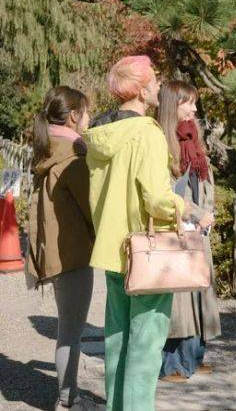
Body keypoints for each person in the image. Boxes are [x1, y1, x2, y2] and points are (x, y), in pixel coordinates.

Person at [83, 56, 185, 411]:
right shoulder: (147, 133)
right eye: (154, 81)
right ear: (142, 92)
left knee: (118, 339)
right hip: (145, 251)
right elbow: (157, 199)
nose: (158, 87)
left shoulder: (98, 134)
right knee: (146, 344)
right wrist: (185, 210)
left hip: (111, 248)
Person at [28, 86, 96, 410]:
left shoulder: (48, 149)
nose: (89, 117)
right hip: (73, 254)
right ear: (73, 116)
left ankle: (67, 395)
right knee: (71, 331)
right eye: (85, 112)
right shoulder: (73, 154)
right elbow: (91, 206)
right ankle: (68, 400)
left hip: (56, 253)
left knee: (66, 328)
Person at [156, 80, 221, 383]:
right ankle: (173, 365)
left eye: (194, 102)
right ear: (173, 105)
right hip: (176, 228)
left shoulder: (194, 138)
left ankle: (194, 357)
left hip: (198, 228)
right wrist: (195, 212)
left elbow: (203, 182)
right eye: (188, 103)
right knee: (179, 299)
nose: (194, 109)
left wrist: (208, 211)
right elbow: (168, 190)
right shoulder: (161, 141)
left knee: (198, 291)